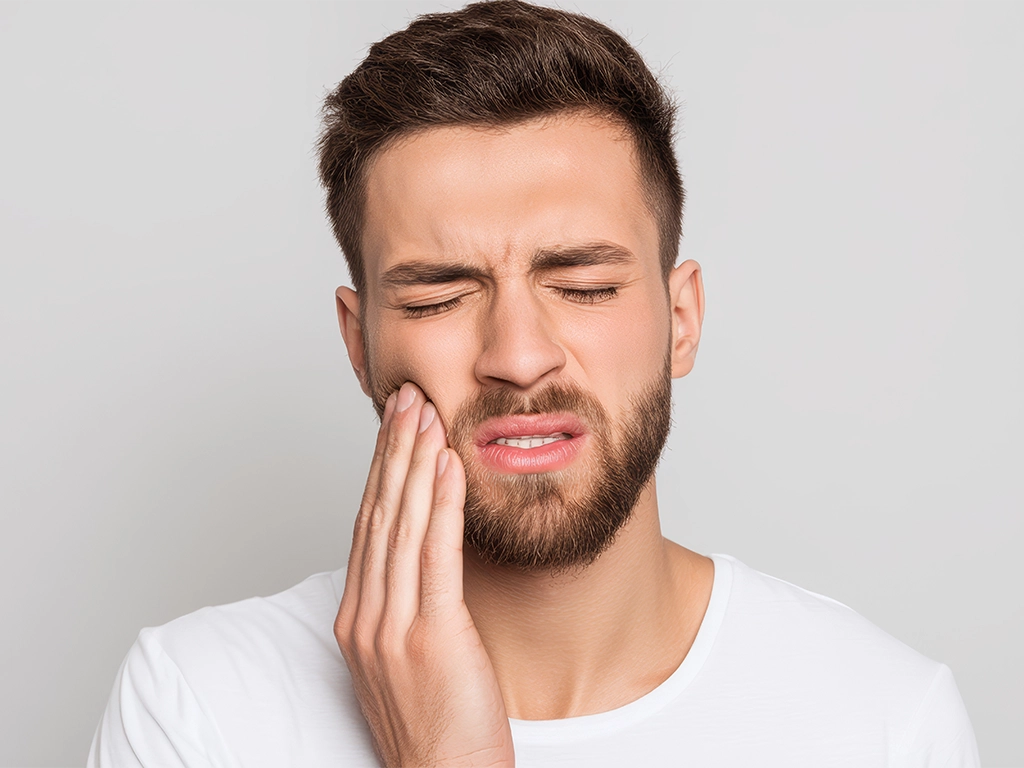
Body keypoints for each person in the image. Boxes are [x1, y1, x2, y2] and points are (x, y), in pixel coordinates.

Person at [88, 1, 980, 765]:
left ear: (682, 320)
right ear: (360, 345)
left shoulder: (883, 724)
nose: (518, 355)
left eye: (584, 287)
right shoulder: (197, 706)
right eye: (441, 295)